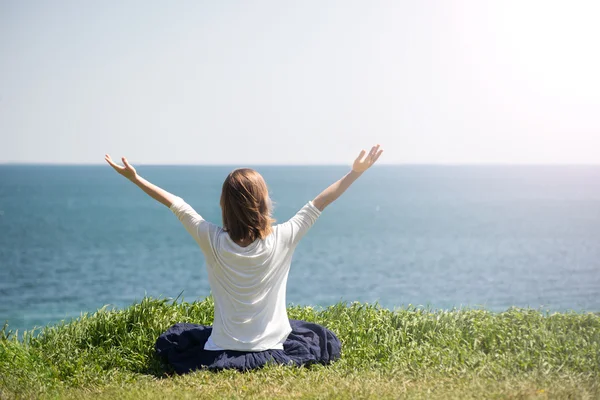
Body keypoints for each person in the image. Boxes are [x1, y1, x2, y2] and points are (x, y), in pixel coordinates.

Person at [104, 144, 383, 373]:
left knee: (177, 340)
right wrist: (355, 173)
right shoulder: (284, 237)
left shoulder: (211, 239)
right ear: (263, 203)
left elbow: (176, 204)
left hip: (222, 347)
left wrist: (135, 178)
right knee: (319, 338)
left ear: (225, 204)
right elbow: (321, 202)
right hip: (273, 346)